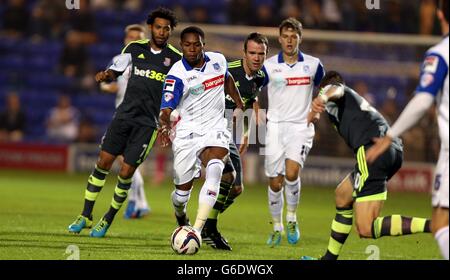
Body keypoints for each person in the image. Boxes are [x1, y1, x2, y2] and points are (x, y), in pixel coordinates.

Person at [68, 7, 182, 237]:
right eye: (158, 27)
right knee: (103, 163)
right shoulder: (134, 48)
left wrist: (171, 120)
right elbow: (116, 69)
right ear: (151, 28)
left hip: (148, 124)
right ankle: (85, 215)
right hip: (123, 116)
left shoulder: (176, 59)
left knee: (127, 172)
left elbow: (179, 91)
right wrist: (106, 75)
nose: (161, 31)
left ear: (170, 31)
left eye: (166, 28)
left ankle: (107, 219)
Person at [301, 71, 431, 260]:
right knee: (342, 195)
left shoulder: (335, 90)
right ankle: (329, 259)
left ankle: (435, 225)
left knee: (365, 227)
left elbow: (335, 89)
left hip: (372, 151)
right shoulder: (350, 104)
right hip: (389, 149)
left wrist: (322, 96)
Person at [366, 0, 449, 260]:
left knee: (441, 223)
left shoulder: (441, 53)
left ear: (439, 14)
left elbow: (423, 99)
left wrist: (390, 135)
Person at [159, 26, 244, 237]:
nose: (192, 48)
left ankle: (196, 230)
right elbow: (166, 108)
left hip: (214, 128)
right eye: (187, 44)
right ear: (181, 46)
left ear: (203, 45)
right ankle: (181, 216)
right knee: (181, 195)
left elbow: (226, 79)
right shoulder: (176, 75)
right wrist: (164, 123)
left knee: (216, 169)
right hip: (187, 133)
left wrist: (239, 101)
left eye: (196, 44)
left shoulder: (218, 60)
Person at [201, 32, 269, 250]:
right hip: (211, 126)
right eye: (252, 53)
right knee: (227, 179)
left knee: (236, 188)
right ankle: (205, 226)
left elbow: (249, 101)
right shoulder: (226, 70)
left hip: (227, 132)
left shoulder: (260, 77)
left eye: (261, 54)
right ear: (244, 53)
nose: (257, 58)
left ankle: (204, 223)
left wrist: (247, 132)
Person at [263, 18, 325, 246]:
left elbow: (327, 88)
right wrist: (256, 112)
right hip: (275, 128)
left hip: (301, 126)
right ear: (279, 39)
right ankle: (276, 227)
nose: (289, 41)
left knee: (291, 173)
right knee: (275, 182)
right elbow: (254, 90)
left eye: (294, 37)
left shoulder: (313, 64)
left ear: (300, 38)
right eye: (285, 37)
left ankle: (291, 218)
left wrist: (318, 107)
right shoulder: (269, 66)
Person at [100, 24, 151, 219]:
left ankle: (136, 202)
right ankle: (140, 203)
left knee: (126, 162)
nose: (132, 41)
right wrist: (106, 86)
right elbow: (114, 84)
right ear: (124, 40)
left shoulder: (147, 62)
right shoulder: (119, 60)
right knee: (126, 162)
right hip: (121, 115)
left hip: (139, 117)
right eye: (130, 38)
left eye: (137, 38)